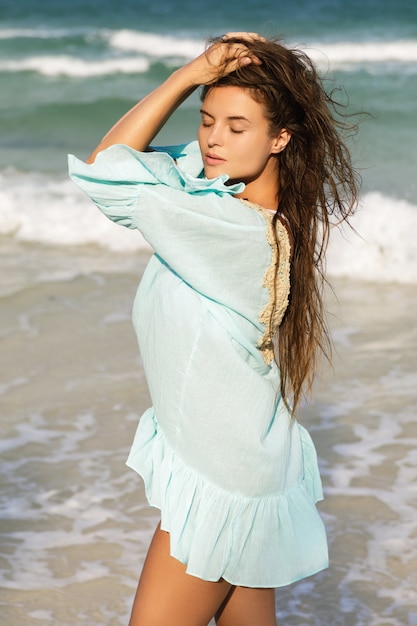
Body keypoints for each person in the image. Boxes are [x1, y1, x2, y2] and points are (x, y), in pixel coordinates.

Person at [69, 32, 358, 626]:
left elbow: (106, 172)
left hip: (223, 476)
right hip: (241, 460)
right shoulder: (233, 205)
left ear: (280, 138)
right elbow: (149, 165)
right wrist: (209, 77)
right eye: (206, 120)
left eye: (236, 125)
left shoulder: (226, 228)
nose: (212, 139)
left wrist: (185, 76)